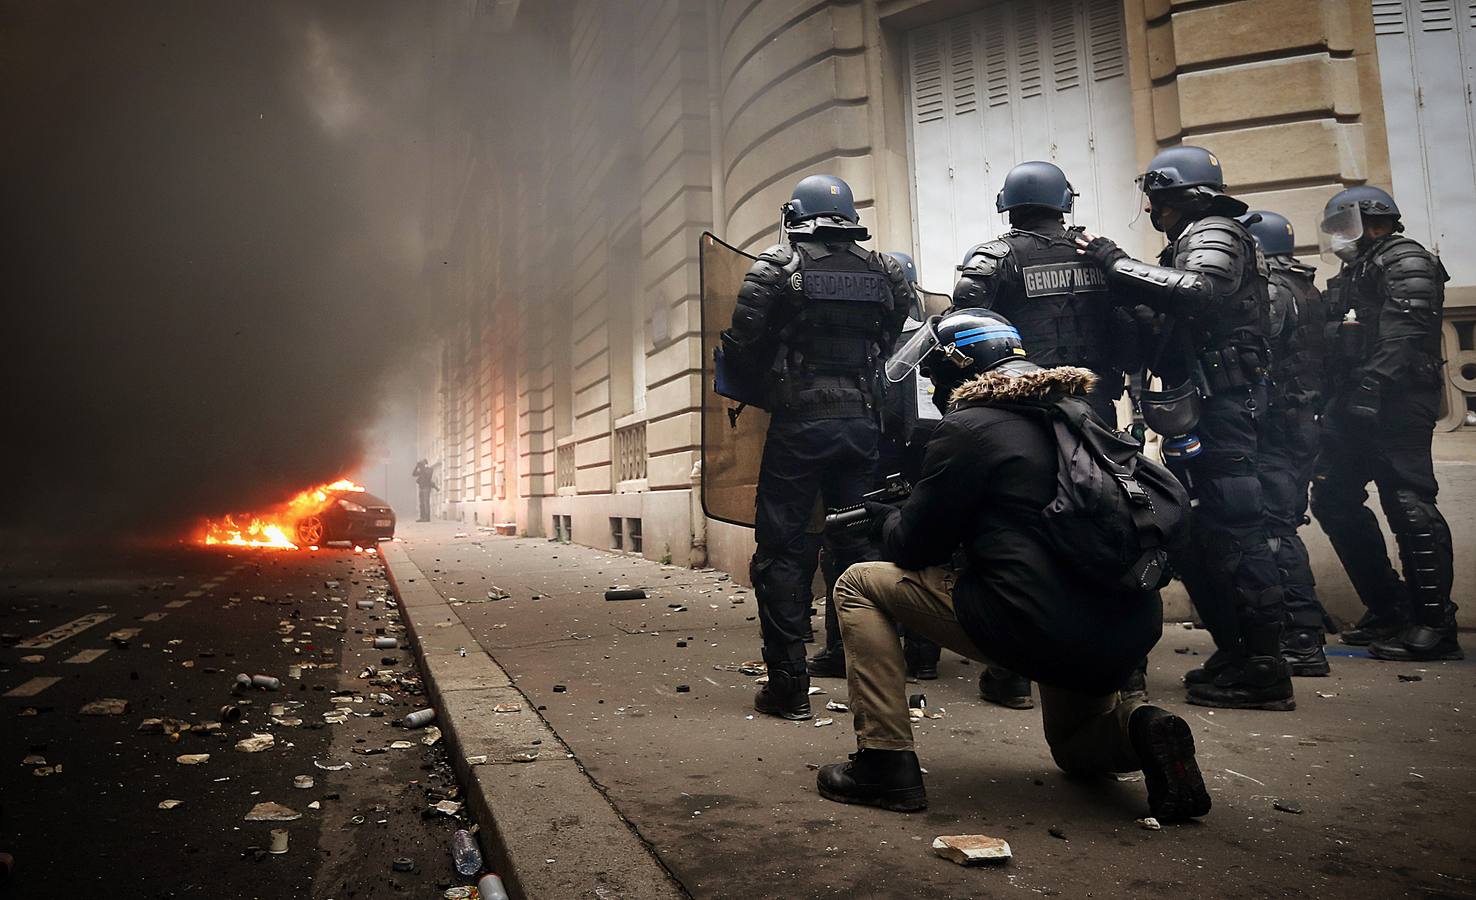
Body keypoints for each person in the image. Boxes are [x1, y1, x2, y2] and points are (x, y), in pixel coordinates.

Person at [815, 308, 1210, 823]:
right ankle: (1142, 730)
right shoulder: (1082, 416)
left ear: (964, 369)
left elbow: (914, 549)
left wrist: (889, 518)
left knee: (858, 585)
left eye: (936, 376)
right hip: (1125, 629)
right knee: (1075, 751)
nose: (934, 389)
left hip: (1032, 624)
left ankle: (884, 763)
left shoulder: (968, 429)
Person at [1076, 146, 1292, 711]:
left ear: (1178, 197)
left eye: (1157, 199)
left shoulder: (1215, 228)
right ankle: (1240, 650)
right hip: (1204, 405)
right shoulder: (1189, 237)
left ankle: (1266, 668)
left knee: (1239, 525)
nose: (1152, 210)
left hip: (1225, 406)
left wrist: (1114, 262)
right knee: (1209, 533)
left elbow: (1201, 292)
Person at [720, 174, 914, 720]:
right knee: (859, 550)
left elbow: (742, 347)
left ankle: (788, 688)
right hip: (861, 425)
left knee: (783, 550)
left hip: (800, 426)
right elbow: (892, 332)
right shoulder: (885, 270)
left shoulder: (776, 269)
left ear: (796, 215)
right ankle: (870, 686)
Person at [954, 160, 1144, 709]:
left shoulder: (994, 257)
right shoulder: (1100, 256)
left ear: (1008, 203)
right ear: (1065, 201)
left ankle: (1012, 673)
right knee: (1114, 524)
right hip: (1095, 408)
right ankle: (1127, 674)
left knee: (1012, 526)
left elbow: (966, 334)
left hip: (1025, 410)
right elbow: (1132, 334)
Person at [1312, 187, 1461, 662]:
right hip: (1354, 399)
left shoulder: (1407, 260)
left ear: (1368, 219)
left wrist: (1370, 388)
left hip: (1397, 401)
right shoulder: (1359, 266)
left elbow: (1405, 335)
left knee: (1407, 501)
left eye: (1341, 227)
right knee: (1332, 497)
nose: (1337, 238)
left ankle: (1436, 623)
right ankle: (1390, 607)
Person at [806, 251, 942, 682]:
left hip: (874, 461)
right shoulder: (935, 338)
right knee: (925, 547)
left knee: (850, 548)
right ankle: (923, 654)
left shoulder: (868, 342)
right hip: (927, 462)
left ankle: (845, 648)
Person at [1243, 210, 1335, 675]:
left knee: (1273, 529)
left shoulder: (1274, 290)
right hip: (1300, 422)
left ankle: (1301, 636)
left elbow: (1260, 346)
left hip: (1276, 425)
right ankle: (1298, 625)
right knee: (1279, 524)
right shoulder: (1306, 287)